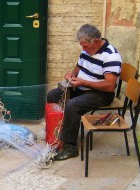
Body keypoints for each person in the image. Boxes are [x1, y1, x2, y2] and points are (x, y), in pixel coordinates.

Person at [47, 24, 122, 160]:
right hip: (81, 88)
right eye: (82, 46)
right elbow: (78, 67)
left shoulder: (111, 56)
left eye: (86, 46)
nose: (83, 49)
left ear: (97, 42)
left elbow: (110, 86)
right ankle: (59, 130)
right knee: (52, 95)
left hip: (101, 94)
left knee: (72, 105)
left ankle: (70, 147)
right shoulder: (86, 50)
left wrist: (83, 82)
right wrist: (71, 75)